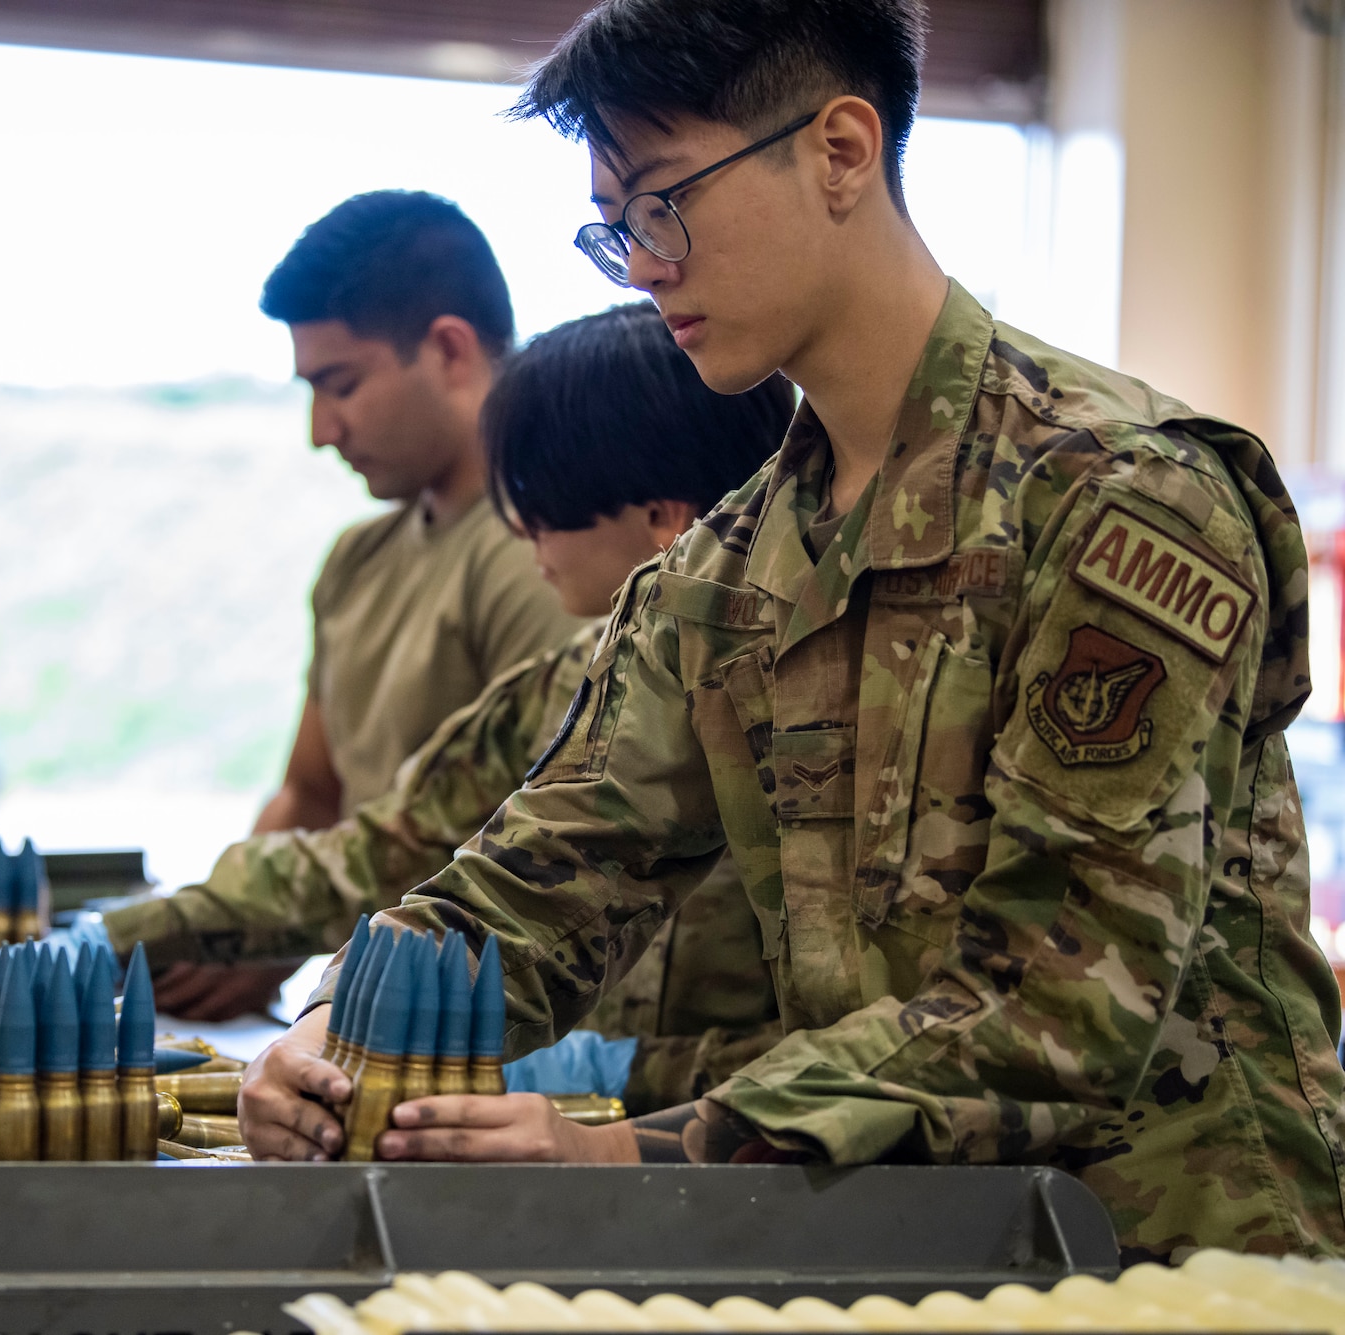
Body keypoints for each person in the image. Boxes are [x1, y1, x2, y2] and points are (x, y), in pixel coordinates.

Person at [237, 0, 1345, 1264]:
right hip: (902, 1250)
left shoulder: (1114, 497)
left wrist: (630, 1150)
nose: (642, 262)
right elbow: (548, 871)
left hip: (1179, 1256)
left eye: (662, 203)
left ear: (837, 150)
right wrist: (337, 1028)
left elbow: (1060, 1007)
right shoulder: (730, 566)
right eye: (613, 230)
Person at [108, 304, 793, 1106]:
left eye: (541, 514)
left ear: (663, 521)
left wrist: (625, 1074)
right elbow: (388, 855)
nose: (527, 546)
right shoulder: (569, 684)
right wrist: (120, 936)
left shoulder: (796, 699)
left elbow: (866, 1043)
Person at [159, 191, 589, 1018]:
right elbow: (311, 796)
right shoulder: (356, 562)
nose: (322, 429)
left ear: (450, 350)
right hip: (356, 1003)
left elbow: (548, 853)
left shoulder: (545, 561)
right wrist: (226, 931)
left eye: (341, 384)